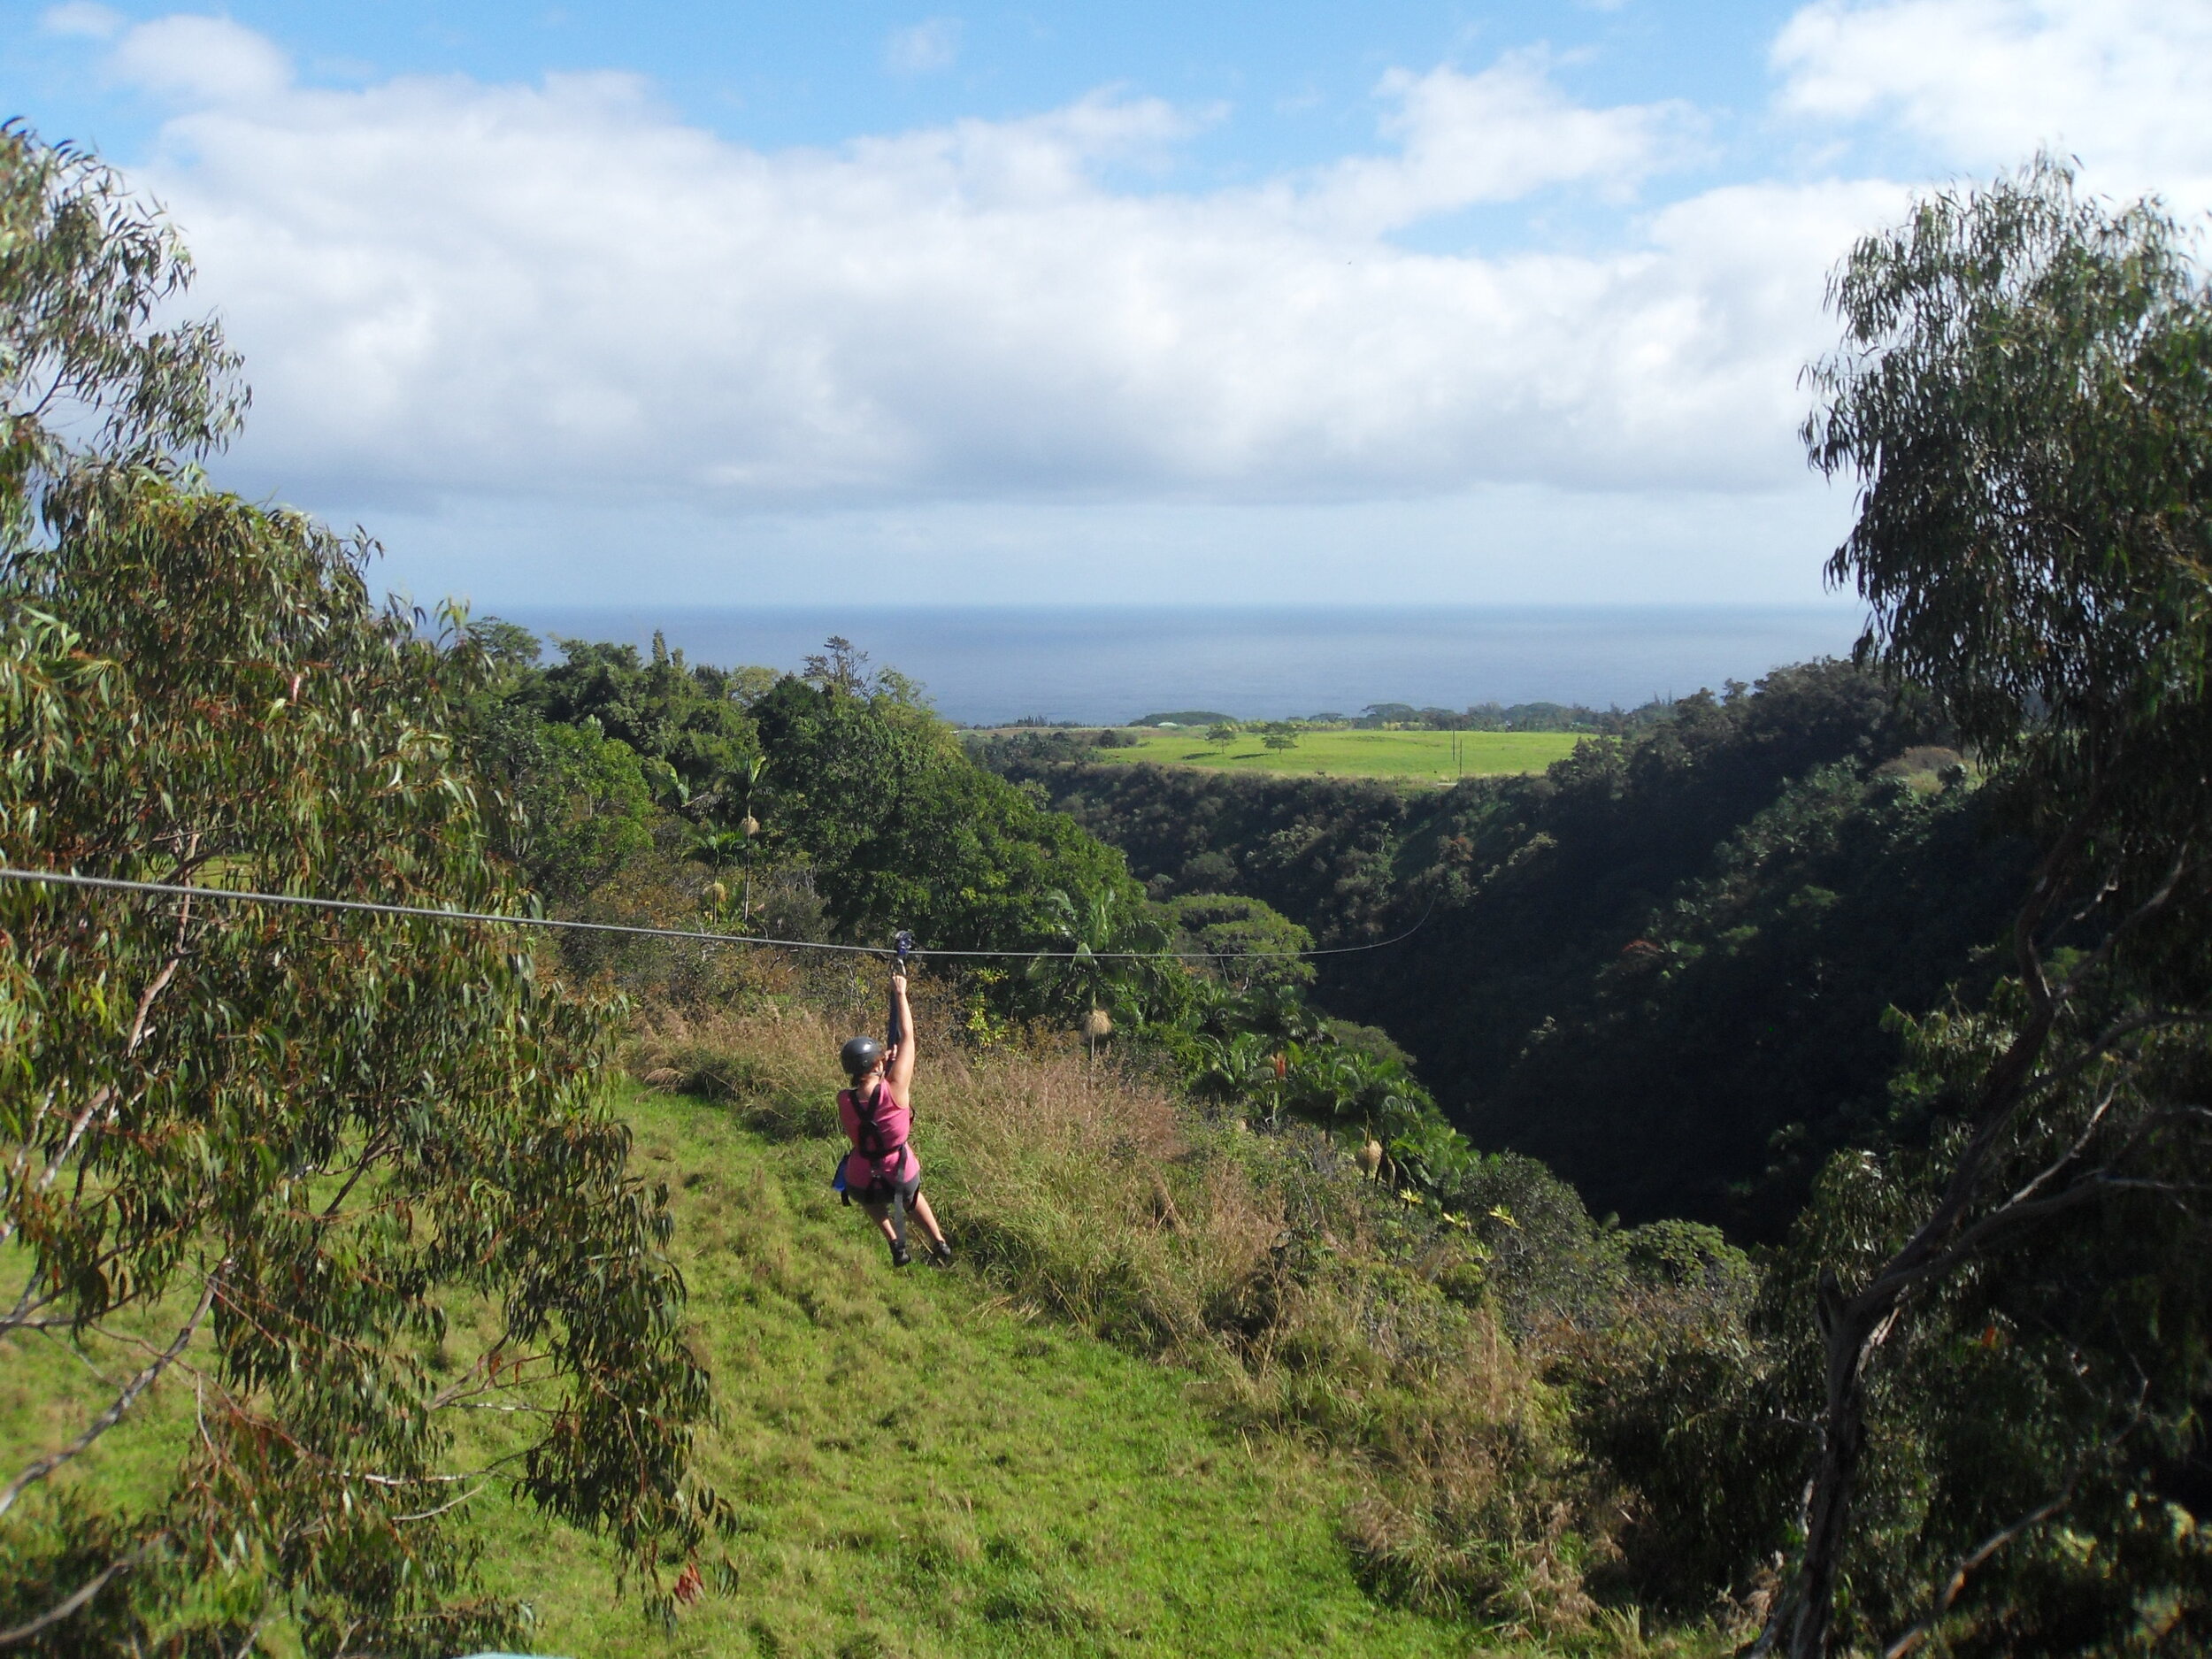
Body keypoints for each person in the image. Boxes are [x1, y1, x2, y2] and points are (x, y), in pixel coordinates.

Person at [837, 971, 951, 1269]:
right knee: (912, 1199)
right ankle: (938, 1241)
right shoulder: (896, 1087)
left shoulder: (843, 1100)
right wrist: (900, 993)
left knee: (870, 1201)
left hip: (862, 1174)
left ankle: (894, 1241)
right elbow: (908, 1036)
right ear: (878, 1063)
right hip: (899, 1171)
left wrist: (880, 1066)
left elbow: (868, 1094)